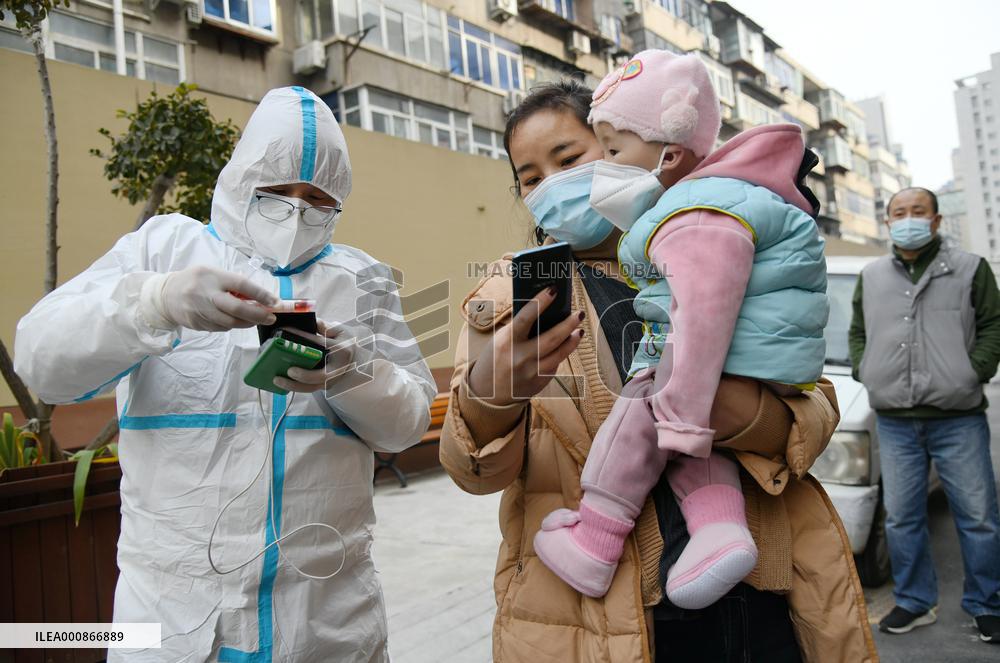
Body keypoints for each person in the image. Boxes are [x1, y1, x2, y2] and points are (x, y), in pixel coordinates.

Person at [439, 80, 877, 662]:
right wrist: (493, 396)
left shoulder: (725, 241)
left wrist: (734, 414)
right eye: (530, 177)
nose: (552, 185)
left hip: (762, 601)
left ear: (628, 144)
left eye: (570, 159)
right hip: (607, 622)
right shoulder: (510, 300)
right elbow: (472, 471)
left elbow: (813, 406)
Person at [14, 86, 436, 661]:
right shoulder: (163, 249)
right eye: (276, 191)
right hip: (170, 624)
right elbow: (41, 359)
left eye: (317, 199)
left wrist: (352, 372)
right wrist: (154, 301)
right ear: (241, 180)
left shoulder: (365, 279)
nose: (295, 211)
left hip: (327, 626)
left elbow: (407, 425)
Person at [532, 49, 828, 612]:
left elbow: (701, 314)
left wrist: (681, 412)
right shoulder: (726, 196)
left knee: (640, 415)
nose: (602, 167)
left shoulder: (691, 212)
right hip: (760, 359)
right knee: (681, 430)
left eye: (609, 150)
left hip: (733, 362)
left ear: (667, 153)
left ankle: (595, 535)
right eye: (529, 176)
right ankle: (719, 529)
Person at [849, 186, 1000, 643]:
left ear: (936, 221)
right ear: (888, 222)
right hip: (894, 417)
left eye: (918, 211)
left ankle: (986, 603)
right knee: (901, 516)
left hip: (958, 415)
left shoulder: (971, 268)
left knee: (977, 516)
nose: (908, 218)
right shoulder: (871, 274)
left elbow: (993, 324)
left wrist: (972, 372)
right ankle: (914, 601)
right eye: (899, 212)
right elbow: (858, 331)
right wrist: (865, 368)